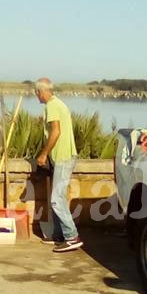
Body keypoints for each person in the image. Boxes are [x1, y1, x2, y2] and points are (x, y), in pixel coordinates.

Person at [35, 77, 83, 252]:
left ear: (41, 91)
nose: (36, 95)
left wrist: (43, 154)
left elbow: (55, 131)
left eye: (37, 92)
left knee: (56, 199)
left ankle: (72, 236)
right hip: (61, 157)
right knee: (57, 198)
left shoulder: (52, 106)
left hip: (63, 157)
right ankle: (58, 235)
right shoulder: (58, 104)